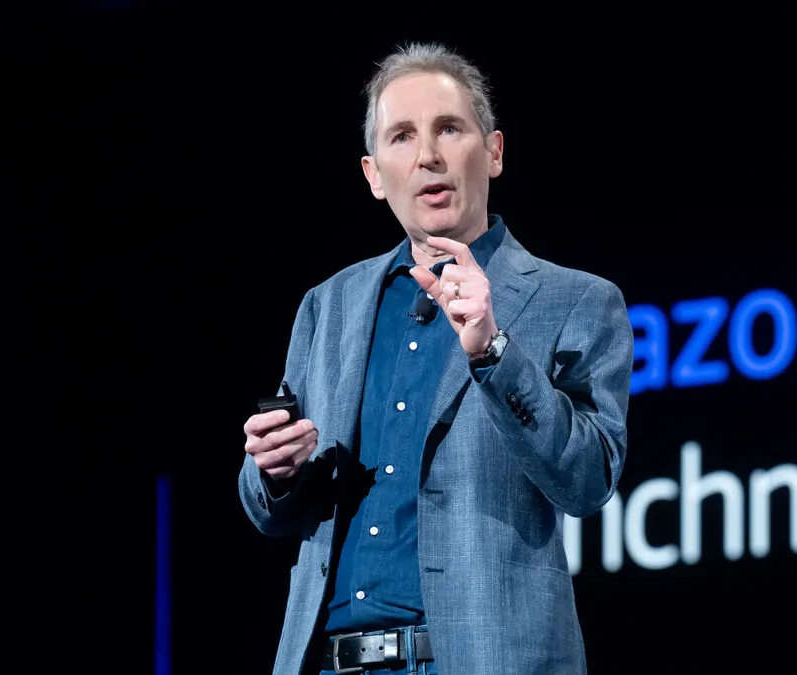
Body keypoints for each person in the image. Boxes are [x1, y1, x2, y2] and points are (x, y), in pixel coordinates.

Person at [238, 42, 633, 675]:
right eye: (402, 136)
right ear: (373, 175)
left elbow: (588, 479)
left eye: (449, 129)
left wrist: (493, 350)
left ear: (494, 151)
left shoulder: (577, 300)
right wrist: (276, 472)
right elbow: (265, 507)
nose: (428, 155)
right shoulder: (328, 306)